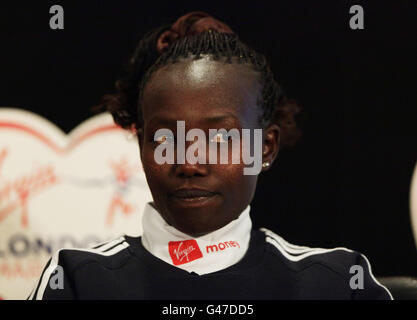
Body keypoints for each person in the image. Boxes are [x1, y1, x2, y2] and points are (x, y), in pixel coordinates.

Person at [28, 11, 392, 300]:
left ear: (265, 148)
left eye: (219, 137)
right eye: (166, 138)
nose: (189, 163)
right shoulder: (77, 281)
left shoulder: (337, 284)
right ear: (141, 146)